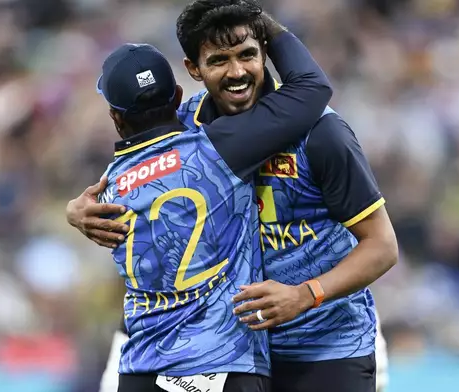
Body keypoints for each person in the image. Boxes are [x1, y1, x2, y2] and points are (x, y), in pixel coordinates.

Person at [67, 1, 396, 392]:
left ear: (265, 54)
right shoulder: (186, 126)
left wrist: (307, 295)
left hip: (325, 346)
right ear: (193, 69)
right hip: (234, 355)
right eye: (219, 60)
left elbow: (382, 246)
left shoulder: (323, 134)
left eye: (247, 55)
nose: (237, 72)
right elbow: (132, 175)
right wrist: (78, 209)